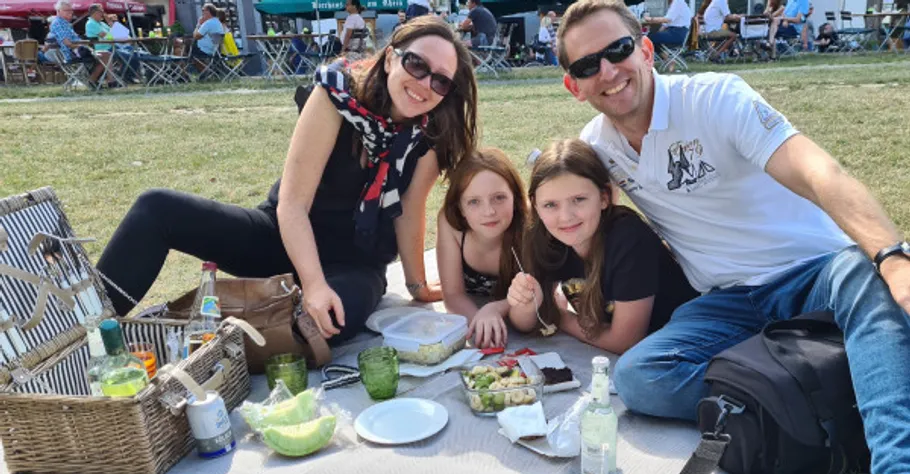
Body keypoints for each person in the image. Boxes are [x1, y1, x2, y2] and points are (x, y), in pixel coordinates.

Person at [555, 1, 910, 474]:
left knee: (870, 279)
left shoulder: (716, 98)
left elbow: (819, 172)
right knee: (639, 378)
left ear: (648, 50)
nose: (608, 71)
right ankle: (847, 385)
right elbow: (560, 207)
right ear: (574, 86)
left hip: (816, 270)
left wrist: (893, 256)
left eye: (618, 50)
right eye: (588, 65)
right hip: (728, 301)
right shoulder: (599, 147)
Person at [96, 16, 479, 346]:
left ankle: (192, 345)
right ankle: (87, 333)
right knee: (157, 208)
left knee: (329, 321)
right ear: (392, 56)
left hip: (355, 261)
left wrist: (416, 287)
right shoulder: (336, 94)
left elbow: (408, 213)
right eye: (416, 65)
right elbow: (292, 204)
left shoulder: (430, 134)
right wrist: (311, 285)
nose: (425, 84)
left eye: (441, 81)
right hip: (282, 237)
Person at [507, 139, 697, 353]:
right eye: (550, 205)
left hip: (681, 346)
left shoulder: (629, 239)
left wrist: (562, 318)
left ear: (604, 197)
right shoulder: (543, 237)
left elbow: (626, 341)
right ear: (535, 205)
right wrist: (523, 303)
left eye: (578, 199)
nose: (565, 217)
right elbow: (526, 322)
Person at [436, 148, 529, 349]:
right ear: (459, 207)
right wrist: (478, 321)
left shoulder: (529, 226)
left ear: (515, 197)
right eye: (474, 202)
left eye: (499, 197)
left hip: (524, 308)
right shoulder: (450, 224)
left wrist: (495, 309)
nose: (489, 211)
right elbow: (452, 295)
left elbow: (544, 288)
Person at [49, 1, 115, 87]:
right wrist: (120, 36)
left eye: (71, 10)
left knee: (116, 54)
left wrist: (110, 23)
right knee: (107, 55)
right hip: (76, 53)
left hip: (103, 47)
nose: (103, 14)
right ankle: (103, 81)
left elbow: (123, 34)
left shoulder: (102, 24)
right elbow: (111, 37)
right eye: (101, 12)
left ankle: (108, 81)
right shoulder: (91, 24)